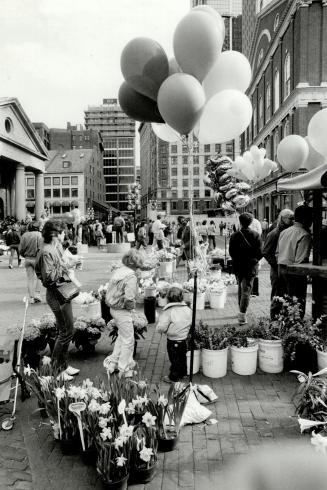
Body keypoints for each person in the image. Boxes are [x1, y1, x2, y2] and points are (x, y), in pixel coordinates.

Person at [35, 220, 79, 380]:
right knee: (65, 332)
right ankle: (57, 369)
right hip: (57, 294)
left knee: (68, 330)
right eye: (61, 232)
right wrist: (64, 269)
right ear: (54, 234)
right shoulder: (48, 251)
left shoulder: (51, 249)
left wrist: (67, 265)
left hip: (60, 293)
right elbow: (48, 278)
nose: (63, 235)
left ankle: (63, 365)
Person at [103, 249, 143, 377]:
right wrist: (132, 310)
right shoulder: (131, 277)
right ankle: (124, 369)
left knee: (121, 336)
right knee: (128, 340)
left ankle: (113, 363)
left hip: (113, 308)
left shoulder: (120, 271)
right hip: (122, 311)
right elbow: (129, 298)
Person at [277, 205, 313, 318]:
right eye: (311, 218)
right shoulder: (304, 235)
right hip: (294, 273)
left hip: (281, 269)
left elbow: (277, 252)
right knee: (297, 303)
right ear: (305, 218)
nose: (312, 221)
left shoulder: (284, 232)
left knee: (285, 301)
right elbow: (300, 261)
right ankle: (295, 327)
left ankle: (285, 325)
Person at [229, 213, 262, 325]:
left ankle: (240, 310)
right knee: (247, 290)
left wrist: (238, 259)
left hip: (238, 266)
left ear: (240, 222)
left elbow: (231, 253)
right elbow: (260, 253)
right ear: (251, 222)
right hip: (250, 266)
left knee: (240, 288)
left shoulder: (234, 235)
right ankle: (242, 315)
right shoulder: (256, 235)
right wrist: (254, 260)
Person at [156, 284, 192, 383]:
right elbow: (191, 322)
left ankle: (174, 377)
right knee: (182, 356)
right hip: (184, 339)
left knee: (174, 359)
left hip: (173, 340)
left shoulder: (168, 311)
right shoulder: (187, 309)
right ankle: (183, 373)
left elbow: (162, 326)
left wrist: (160, 329)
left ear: (168, 298)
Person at [263, 209, 294, 318]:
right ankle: (274, 321)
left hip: (286, 270)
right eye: (290, 218)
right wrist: (276, 265)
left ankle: (283, 320)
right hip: (277, 271)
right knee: (277, 297)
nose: (293, 220)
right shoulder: (275, 233)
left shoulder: (289, 231)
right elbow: (265, 251)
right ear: (283, 219)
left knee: (286, 297)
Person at [19, 221, 43, 304]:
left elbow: (20, 249)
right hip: (37, 258)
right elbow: (41, 248)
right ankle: (37, 294)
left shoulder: (24, 235)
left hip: (27, 259)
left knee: (30, 279)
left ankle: (31, 297)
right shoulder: (39, 235)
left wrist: (24, 255)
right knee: (40, 277)